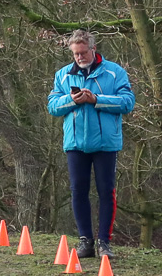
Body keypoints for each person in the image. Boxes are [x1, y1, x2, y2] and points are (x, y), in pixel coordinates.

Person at [48, 30, 135, 259]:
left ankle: (104, 242)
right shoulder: (63, 75)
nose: (79, 57)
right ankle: (85, 241)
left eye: (83, 52)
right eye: (75, 54)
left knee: (106, 191)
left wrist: (96, 100)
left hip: (106, 143)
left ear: (93, 49)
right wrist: (71, 100)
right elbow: (53, 106)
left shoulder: (115, 73)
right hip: (75, 142)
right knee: (78, 191)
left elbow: (127, 102)